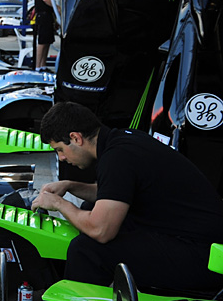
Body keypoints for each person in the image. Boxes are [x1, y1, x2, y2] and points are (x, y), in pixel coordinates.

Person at [33, 102, 223, 290]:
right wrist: (70, 186)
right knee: (89, 209)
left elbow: (101, 230)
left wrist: (59, 203)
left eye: (59, 149)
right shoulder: (124, 141)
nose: (61, 158)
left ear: (75, 138)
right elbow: (115, 192)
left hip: (205, 257)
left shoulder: (117, 158)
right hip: (196, 240)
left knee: (86, 250)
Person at [34, 0, 60, 69]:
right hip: (43, 17)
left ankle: (43, 65)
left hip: (47, 17)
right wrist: (57, 8)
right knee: (42, 42)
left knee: (47, 41)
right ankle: (37, 67)